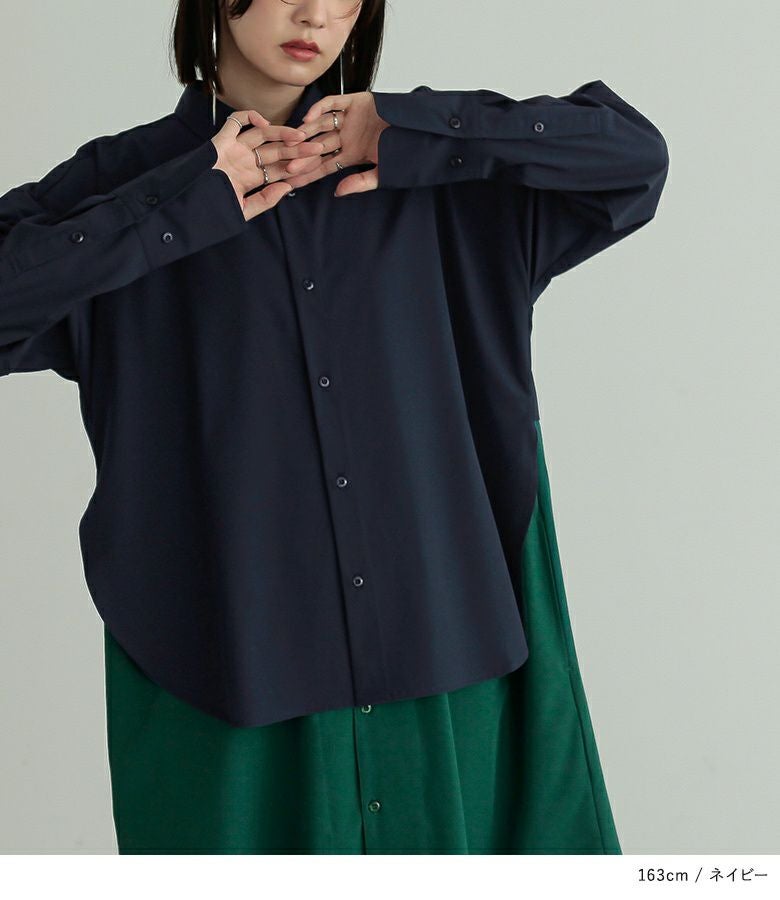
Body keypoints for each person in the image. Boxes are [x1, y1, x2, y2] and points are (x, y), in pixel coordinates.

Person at [1, 0, 668, 853]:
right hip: (224, 680)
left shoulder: (447, 180)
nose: (315, 13)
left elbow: (632, 158)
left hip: (450, 667)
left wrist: (422, 131)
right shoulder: (124, 186)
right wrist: (183, 203)